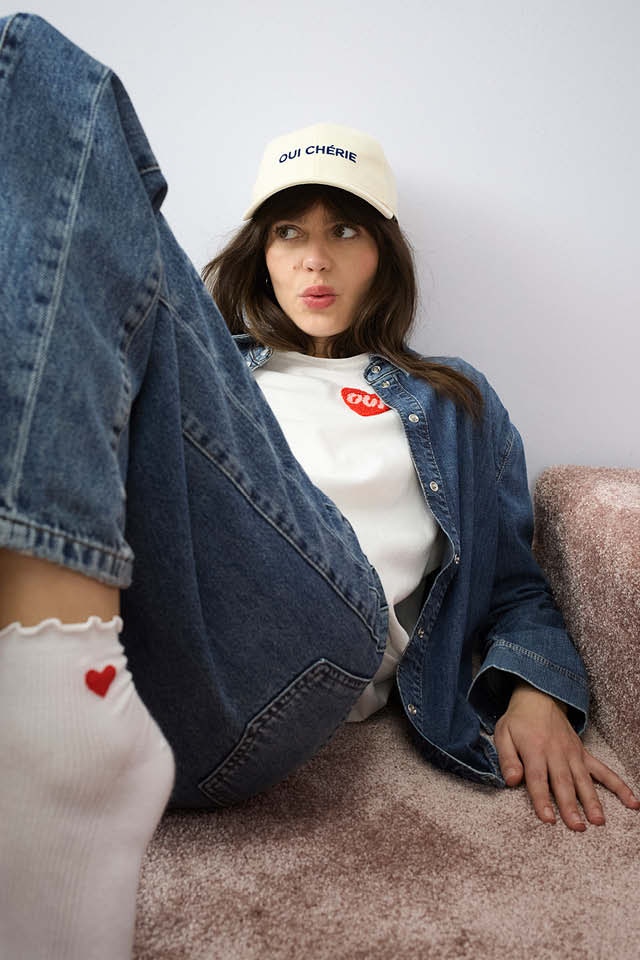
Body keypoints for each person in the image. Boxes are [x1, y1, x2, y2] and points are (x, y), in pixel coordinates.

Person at [0, 13, 637, 960]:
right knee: (41, 96)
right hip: (154, 643)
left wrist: (539, 691)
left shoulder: (448, 399)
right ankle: (59, 697)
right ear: (260, 249)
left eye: (345, 229)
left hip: (307, 656)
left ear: (384, 252)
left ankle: (57, 708)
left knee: (58, 81)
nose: (314, 257)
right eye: (289, 230)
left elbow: (512, 579)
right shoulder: (214, 373)